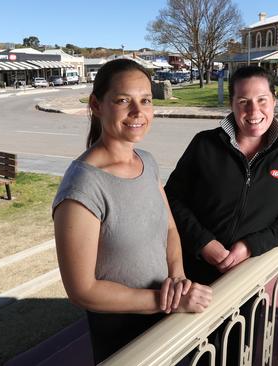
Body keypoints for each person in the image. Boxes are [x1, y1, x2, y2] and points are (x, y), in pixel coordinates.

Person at [52, 59, 212, 363]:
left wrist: (177, 279)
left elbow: (168, 228)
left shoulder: (147, 162)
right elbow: (82, 290)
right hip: (124, 338)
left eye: (146, 100)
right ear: (97, 105)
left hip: (166, 321)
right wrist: (165, 301)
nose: (138, 112)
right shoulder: (82, 188)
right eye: (124, 100)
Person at [165, 65, 278, 364]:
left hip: (245, 279)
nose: (253, 110)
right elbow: (172, 199)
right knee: (189, 353)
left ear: (274, 101)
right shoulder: (205, 144)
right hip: (193, 276)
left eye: (262, 99)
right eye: (243, 101)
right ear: (232, 104)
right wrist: (204, 243)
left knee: (234, 352)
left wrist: (249, 246)